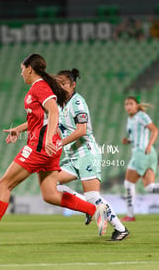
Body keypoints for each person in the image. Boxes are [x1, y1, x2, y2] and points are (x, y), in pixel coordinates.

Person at [0, 53, 108, 245]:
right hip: (48, 148)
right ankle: (94, 210)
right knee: (50, 194)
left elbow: (54, 111)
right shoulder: (40, 87)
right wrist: (19, 129)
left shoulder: (40, 86)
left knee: (4, 184)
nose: (21, 73)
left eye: (22, 69)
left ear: (29, 69)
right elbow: (41, 117)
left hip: (39, 147)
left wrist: (48, 138)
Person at [54, 68, 129, 241]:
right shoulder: (58, 104)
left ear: (73, 85)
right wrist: (19, 129)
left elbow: (82, 130)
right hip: (72, 156)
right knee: (52, 183)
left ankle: (121, 229)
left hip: (86, 152)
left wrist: (60, 143)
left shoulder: (78, 103)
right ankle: (87, 207)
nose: (60, 87)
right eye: (57, 84)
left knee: (93, 196)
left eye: (63, 84)